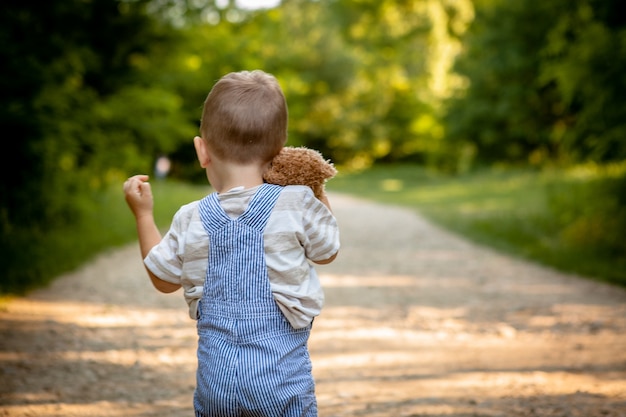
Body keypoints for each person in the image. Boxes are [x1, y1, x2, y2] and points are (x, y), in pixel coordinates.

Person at [123, 70, 340, 417]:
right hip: (280, 382)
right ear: (280, 152)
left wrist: (143, 215)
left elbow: (163, 279)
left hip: (216, 384)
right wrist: (315, 187)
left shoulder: (191, 216)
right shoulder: (296, 203)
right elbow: (327, 250)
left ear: (201, 151)